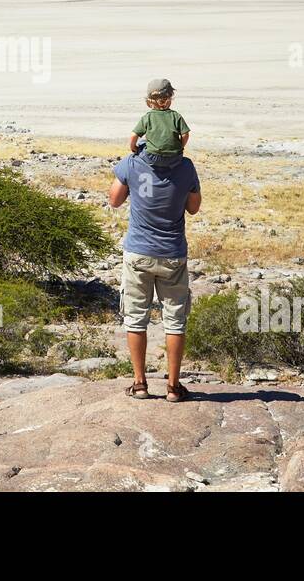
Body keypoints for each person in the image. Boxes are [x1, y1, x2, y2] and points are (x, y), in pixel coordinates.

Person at [109, 102, 202, 402]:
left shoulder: (132, 163)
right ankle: (174, 387)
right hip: (173, 253)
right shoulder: (186, 167)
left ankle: (140, 384)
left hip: (138, 252)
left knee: (136, 319)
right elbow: (194, 207)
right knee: (175, 321)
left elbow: (114, 200)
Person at [129, 78, 190, 168]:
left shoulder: (148, 116)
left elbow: (133, 136)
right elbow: (185, 134)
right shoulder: (176, 116)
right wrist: (180, 147)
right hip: (174, 157)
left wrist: (133, 148)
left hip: (152, 157)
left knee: (142, 143)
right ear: (170, 98)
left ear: (149, 101)